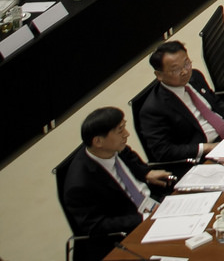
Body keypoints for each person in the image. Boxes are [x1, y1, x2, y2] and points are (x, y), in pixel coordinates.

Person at [57, 106, 172, 261]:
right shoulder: (79, 184)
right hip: (129, 231)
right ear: (98, 141)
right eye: (120, 130)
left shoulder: (115, 147)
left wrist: (146, 173)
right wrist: (143, 219)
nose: (127, 134)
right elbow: (96, 226)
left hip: (156, 204)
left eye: (124, 127)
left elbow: (132, 160)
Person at [135, 40, 224, 168]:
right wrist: (207, 148)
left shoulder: (195, 76)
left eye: (186, 64)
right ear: (159, 75)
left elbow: (216, 102)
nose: (185, 71)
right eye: (175, 69)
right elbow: (164, 151)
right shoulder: (153, 109)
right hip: (204, 157)